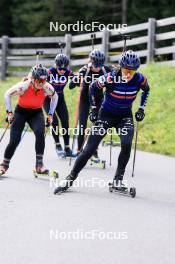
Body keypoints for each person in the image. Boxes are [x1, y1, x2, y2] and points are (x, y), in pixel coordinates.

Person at [54, 50, 150, 194]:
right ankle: (70, 178)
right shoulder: (111, 77)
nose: (128, 74)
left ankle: (117, 180)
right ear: (121, 67)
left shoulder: (140, 79)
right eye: (125, 70)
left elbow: (146, 90)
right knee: (89, 149)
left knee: (126, 143)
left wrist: (141, 109)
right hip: (106, 115)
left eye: (132, 71)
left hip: (124, 116)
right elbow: (93, 87)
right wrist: (93, 109)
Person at [0, 64, 58, 175]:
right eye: (39, 81)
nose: (41, 83)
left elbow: (55, 97)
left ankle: (39, 165)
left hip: (36, 113)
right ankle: (4, 165)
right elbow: (7, 94)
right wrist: (9, 112)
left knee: (40, 133)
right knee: (15, 140)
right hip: (21, 112)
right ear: (33, 79)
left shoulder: (47, 87)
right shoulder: (24, 86)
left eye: (44, 80)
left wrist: (50, 114)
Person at [69, 49, 111, 160]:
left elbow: (117, 77)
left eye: (99, 65)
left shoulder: (105, 69)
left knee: (98, 126)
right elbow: (70, 85)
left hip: (98, 100)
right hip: (85, 100)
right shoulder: (85, 70)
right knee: (82, 125)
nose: (97, 68)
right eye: (95, 65)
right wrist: (78, 80)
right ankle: (79, 151)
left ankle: (94, 151)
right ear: (91, 62)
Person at [44, 53, 75, 157]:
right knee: (55, 122)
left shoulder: (68, 72)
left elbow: (77, 79)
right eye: (60, 68)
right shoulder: (49, 72)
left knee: (65, 121)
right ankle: (58, 145)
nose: (62, 71)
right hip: (47, 99)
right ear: (56, 65)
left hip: (60, 99)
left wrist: (79, 81)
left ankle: (67, 148)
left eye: (64, 69)